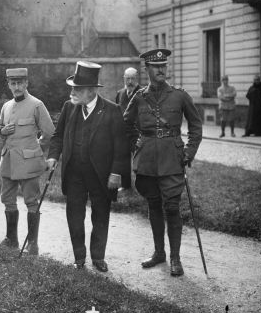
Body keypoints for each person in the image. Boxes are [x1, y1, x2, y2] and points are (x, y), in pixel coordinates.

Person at [123, 48, 202, 276]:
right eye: (156, 67)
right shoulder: (139, 97)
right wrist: (136, 146)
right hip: (147, 162)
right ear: (146, 69)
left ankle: (176, 258)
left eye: (164, 66)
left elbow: (196, 127)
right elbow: (126, 124)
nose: (161, 70)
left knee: (172, 207)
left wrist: (189, 152)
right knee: (153, 205)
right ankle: (159, 253)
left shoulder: (180, 95)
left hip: (171, 160)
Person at [47, 61, 127, 272]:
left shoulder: (112, 110)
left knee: (101, 214)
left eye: (77, 89)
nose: (72, 92)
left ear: (91, 91)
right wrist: (53, 156)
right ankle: (79, 258)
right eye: (72, 88)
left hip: (101, 174)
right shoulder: (69, 107)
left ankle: (98, 257)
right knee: (74, 214)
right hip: (74, 172)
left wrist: (116, 172)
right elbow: (57, 135)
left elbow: (121, 145)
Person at [0, 67, 55, 255]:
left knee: (31, 201)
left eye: (20, 83)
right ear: (9, 85)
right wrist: (2, 132)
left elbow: (50, 132)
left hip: (28, 162)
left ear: (27, 83)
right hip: (8, 162)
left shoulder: (36, 105)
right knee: (7, 200)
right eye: (13, 83)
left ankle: (32, 244)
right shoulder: (6, 106)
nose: (17, 87)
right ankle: (11, 239)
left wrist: (37, 148)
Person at [115, 66, 142, 189]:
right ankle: (126, 185)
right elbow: (116, 111)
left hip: (138, 133)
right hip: (122, 133)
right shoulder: (120, 93)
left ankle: (143, 186)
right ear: (124, 79)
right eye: (127, 78)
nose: (130, 82)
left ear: (137, 79)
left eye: (132, 78)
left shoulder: (143, 93)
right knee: (123, 159)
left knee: (140, 160)